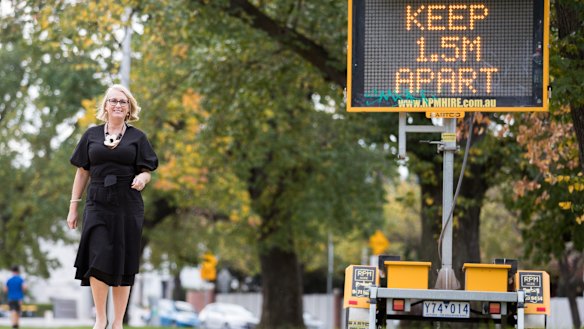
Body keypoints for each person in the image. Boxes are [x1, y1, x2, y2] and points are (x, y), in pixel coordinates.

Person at [66, 84, 158, 329]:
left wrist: (143, 179)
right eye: (113, 101)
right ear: (105, 106)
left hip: (127, 203)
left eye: (123, 102)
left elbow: (147, 170)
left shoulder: (137, 138)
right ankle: (100, 320)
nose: (118, 105)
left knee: (124, 260)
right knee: (97, 256)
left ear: (129, 109)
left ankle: (117, 323)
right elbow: (82, 172)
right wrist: (73, 206)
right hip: (97, 202)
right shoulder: (91, 135)